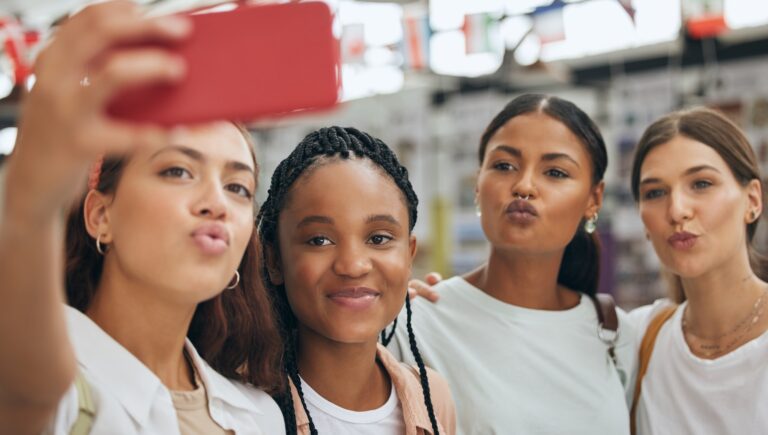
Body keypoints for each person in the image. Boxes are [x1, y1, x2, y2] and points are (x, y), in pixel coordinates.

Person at [0, 2, 284, 433]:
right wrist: (31, 206)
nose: (216, 202)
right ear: (100, 216)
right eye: (178, 171)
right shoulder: (48, 377)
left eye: (238, 187)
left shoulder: (260, 416)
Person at [390, 94, 636, 434]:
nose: (524, 186)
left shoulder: (615, 333)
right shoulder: (413, 325)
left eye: (555, 172)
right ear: (478, 184)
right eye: (504, 166)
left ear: (594, 199)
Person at [256, 126, 456, 434]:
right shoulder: (245, 407)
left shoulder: (431, 396)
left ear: (409, 256)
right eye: (319, 240)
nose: (353, 265)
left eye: (378, 238)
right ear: (274, 259)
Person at [628, 107, 768, 434]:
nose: (677, 210)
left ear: (752, 201)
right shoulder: (638, 339)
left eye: (701, 183)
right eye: (655, 193)